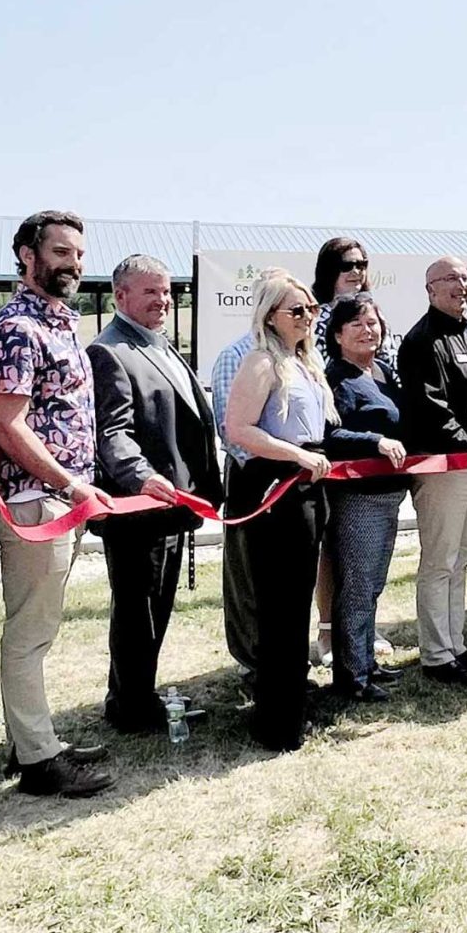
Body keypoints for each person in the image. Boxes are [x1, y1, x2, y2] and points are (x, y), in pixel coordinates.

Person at [0, 210, 114, 797]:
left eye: (79, 254)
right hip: (35, 503)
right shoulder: (16, 328)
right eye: (61, 252)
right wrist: (70, 483)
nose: (74, 264)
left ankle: (29, 740)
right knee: (29, 632)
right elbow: (9, 426)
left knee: (41, 627)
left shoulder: (60, 324)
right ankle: (38, 760)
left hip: (61, 499)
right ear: (27, 258)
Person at [90, 255, 222, 733]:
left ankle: (131, 693)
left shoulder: (158, 345)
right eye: (150, 292)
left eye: (166, 292)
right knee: (138, 610)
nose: (162, 300)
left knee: (152, 608)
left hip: (170, 509)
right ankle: (131, 707)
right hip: (139, 510)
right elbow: (112, 433)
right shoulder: (110, 351)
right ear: (121, 296)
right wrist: (140, 477)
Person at [222, 275, 336, 750]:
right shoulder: (261, 362)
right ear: (271, 315)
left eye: (311, 309)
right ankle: (276, 720)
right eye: (296, 311)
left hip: (306, 491)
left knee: (295, 606)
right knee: (278, 609)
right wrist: (295, 455)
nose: (307, 317)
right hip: (275, 492)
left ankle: (292, 704)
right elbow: (239, 428)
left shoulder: (305, 364)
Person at [401, 257, 467, 685]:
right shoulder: (421, 341)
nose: (461, 286)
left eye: (465, 278)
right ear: (430, 288)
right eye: (450, 280)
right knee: (439, 562)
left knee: (462, 559)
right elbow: (430, 409)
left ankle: (456, 645)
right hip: (444, 467)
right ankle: (436, 655)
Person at [308, 238, 395, 667]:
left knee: (366, 572)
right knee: (338, 559)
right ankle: (334, 640)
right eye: (347, 264)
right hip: (342, 475)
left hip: (384, 482)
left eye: (363, 264)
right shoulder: (315, 321)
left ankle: (359, 649)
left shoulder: (376, 322)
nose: (356, 270)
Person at [322, 293, 407, 701]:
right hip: (357, 499)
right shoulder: (334, 378)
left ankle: (366, 661)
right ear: (337, 334)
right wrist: (374, 441)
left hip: (389, 495)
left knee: (372, 585)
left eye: (372, 322)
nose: (367, 330)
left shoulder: (385, 373)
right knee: (355, 587)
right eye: (356, 324)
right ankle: (352, 678)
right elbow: (328, 437)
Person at [211, 266, 290, 695]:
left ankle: (278, 661)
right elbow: (234, 433)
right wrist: (280, 464)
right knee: (247, 580)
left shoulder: (298, 357)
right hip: (253, 483)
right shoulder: (239, 355)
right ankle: (251, 662)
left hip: (292, 487)